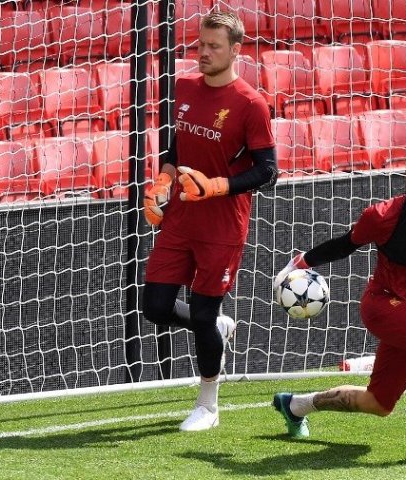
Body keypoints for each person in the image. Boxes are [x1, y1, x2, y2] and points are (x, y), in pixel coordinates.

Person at [272, 147, 406, 463]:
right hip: (382, 305)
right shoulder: (383, 216)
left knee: (378, 404)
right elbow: (346, 244)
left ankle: (295, 405)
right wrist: (301, 261)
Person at [141, 11, 277, 432]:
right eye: (201, 44)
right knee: (155, 306)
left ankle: (208, 404)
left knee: (201, 314)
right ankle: (217, 326)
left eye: (213, 46)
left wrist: (216, 186)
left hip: (223, 225)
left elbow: (268, 171)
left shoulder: (250, 104)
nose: (203, 52)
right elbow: (177, 143)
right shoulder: (184, 87)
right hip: (180, 216)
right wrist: (163, 178)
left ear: (236, 50)